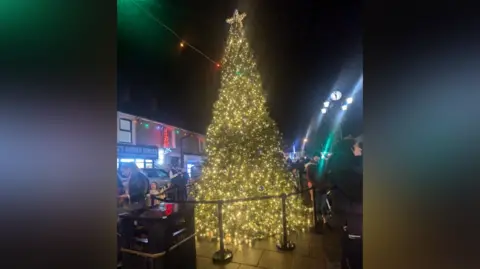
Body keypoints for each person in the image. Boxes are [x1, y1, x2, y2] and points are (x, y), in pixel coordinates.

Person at [323, 138, 363, 269]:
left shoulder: (344, 167)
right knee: (354, 258)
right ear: (350, 149)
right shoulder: (346, 170)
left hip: (350, 223)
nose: (360, 149)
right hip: (354, 224)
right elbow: (353, 197)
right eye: (357, 146)